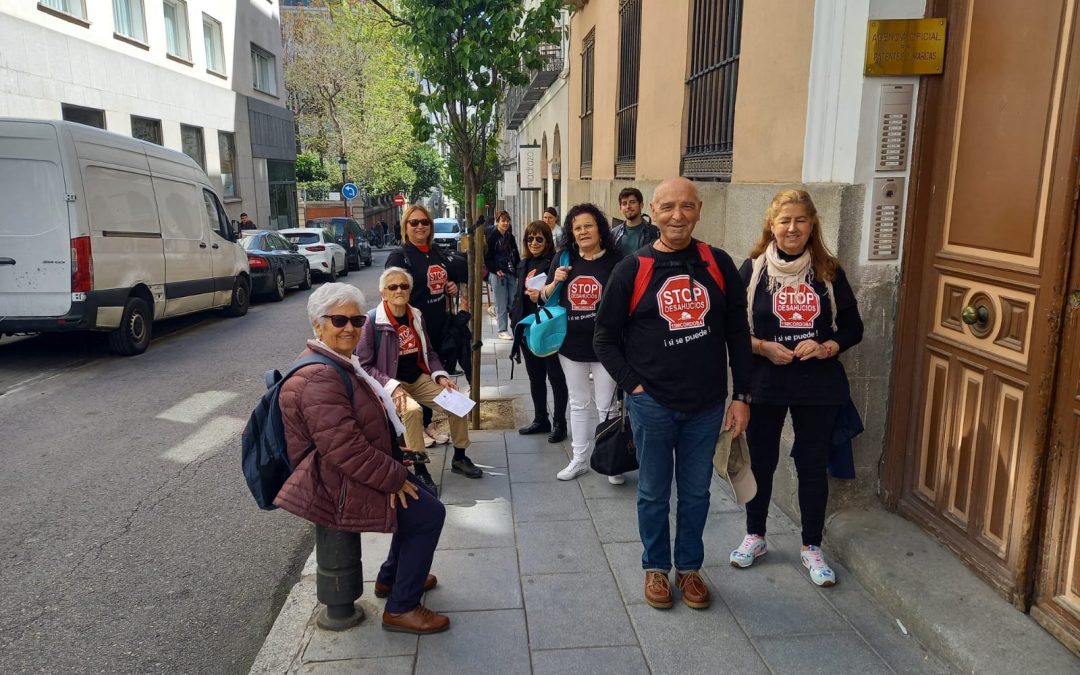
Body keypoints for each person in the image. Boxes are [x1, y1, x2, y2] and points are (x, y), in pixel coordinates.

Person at [594, 177, 752, 611]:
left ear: (700, 210)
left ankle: (689, 568)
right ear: (653, 213)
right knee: (653, 492)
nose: (677, 216)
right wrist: (634, 385)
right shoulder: (634, 268)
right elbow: (604, 336)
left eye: (686, 207)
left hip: (706, 405)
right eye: (667, 207)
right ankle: (656, 570)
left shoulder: (718, 265)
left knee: (697, 493)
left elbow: (738, 334)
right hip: (653, 404)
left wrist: (743, 397)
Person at [275, 282, 449, 634]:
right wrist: (394, 477)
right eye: (339, 320)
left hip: (346, 469)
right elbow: (345, 450)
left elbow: (353, 429)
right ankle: (401, 608)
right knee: (429, 513)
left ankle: (390, 578)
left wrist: (393, 453)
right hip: (334, 482)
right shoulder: (319, 376)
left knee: (425, 499)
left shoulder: (337, 361)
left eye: (357, 321)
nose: (350, 328)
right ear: (317, 325)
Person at [729, 189, 863, 587]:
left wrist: (827, 346)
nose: (792, 228)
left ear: (812, 225)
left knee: (811, 463)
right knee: (763, 461)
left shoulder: (829, 271)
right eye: (784, 220)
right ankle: (755, 536)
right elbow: (732, 330)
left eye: (800, 220)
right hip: (766, 381)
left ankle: (811, 546)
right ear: (771, 225)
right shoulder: (752, 270)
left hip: (816, 383)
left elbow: (853, 327)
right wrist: (762, 347)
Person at [357, 267, 483, 481]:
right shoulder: (372, 321)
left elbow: (429, 352)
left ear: (410, 290)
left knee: (457, 401)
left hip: (419, 378)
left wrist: (441, 377)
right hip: (391, 384)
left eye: (404, 286)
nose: (399, 290)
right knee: (412, 411)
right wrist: (392, 386)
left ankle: (460, 457)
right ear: (383, 293)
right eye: (393, 287)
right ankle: (421, 469)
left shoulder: (415, 315)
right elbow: (364, 365)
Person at [542, 203, 624, 483]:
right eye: (577, 228)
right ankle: (579, 459)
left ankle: (611, 460)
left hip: (606, 346)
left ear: (600, 228)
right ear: (571, 233)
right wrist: (555, 282)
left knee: (607, 405)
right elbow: (543, 297)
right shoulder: (564, 259)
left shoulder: (617, 260)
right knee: (578, 402)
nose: (583, 231)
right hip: (570, 345)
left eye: (588, 225)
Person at [386, 204, 462, 447]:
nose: (420, 226)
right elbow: (392, 292)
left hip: (439, 325)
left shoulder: (436, 252)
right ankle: (416, 427)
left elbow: (444, 280)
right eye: (414, 222)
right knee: (417, 375)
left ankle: (429, 423)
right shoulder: (400, 256)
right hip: (414, 329)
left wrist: (452, 287)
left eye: (424, 222)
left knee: (435, 375)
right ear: (405, 227)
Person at [509, 220, 568, 443]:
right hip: (527, 328)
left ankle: (560, 423)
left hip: (547, 327)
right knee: (535, 377)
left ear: (547, 240)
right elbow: (518, 296)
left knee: (555, 376)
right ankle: (540, 418)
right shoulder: (523, 263)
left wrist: (541, 295)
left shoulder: (553, 263)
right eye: (530, 239)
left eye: (539, 238)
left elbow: (560, 294)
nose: (534, 242)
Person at [485, 210, 520, 340]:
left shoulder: (511, 237)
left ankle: (513, 325)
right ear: (497, 222)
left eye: (507, 220)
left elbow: (515, 255)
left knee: (513, 302)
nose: (505, 223)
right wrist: (495, 269)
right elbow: (487, 258)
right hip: (498, 273)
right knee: (501, 301)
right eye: (502, 221)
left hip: (510, 272)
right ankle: (502, 330)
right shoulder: (492, 236)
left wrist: (519, 270)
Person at [611, 188, 658, 256]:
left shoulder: (654, 233)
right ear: (620, 208)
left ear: (641, 205)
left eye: (632, 202)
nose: (628, 206)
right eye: (624, 203)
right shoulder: (614, 234)